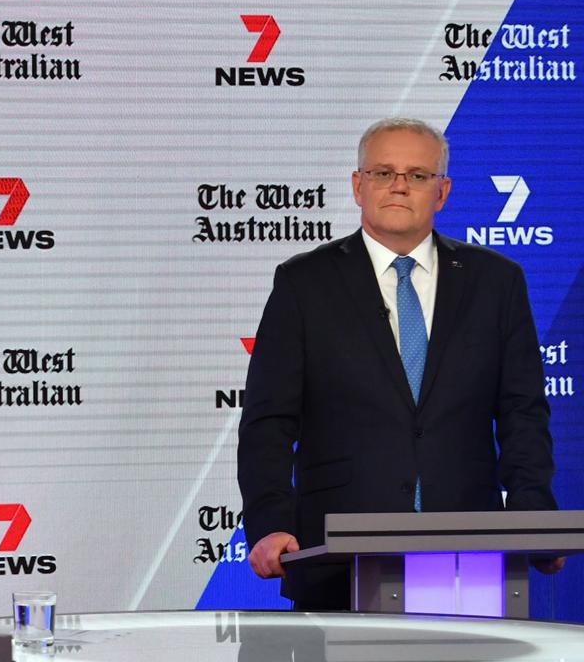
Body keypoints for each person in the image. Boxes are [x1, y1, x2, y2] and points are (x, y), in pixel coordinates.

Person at [237, 117, 562, 610]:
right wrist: (270, 524)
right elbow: (268, 422)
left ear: (443, 191)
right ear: (357, 185)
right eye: (383, 172)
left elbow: (522, 412)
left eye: (417, 175)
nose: (398, 186)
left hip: (465, 551)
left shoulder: (496, 283)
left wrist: (532, 516)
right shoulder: (304, 283)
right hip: (334, 553)